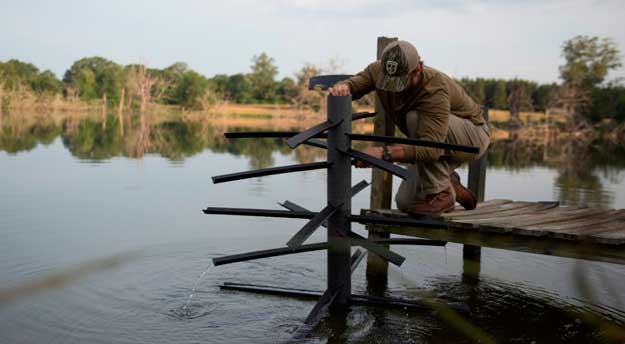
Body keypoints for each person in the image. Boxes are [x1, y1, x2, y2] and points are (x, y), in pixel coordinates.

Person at [329, 40, 490, 216]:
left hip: (471, 136)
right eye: (388, 81)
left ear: (417, 70)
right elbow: (355, 84)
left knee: (414, 117)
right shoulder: (376, 70)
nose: (394, 90)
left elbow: (431, 148)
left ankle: (441, 194)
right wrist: (343, 88)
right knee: (405, 203)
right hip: (431, 139)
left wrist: (383, 154)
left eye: (399, 82)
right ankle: (450, 185)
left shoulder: (434, 87)